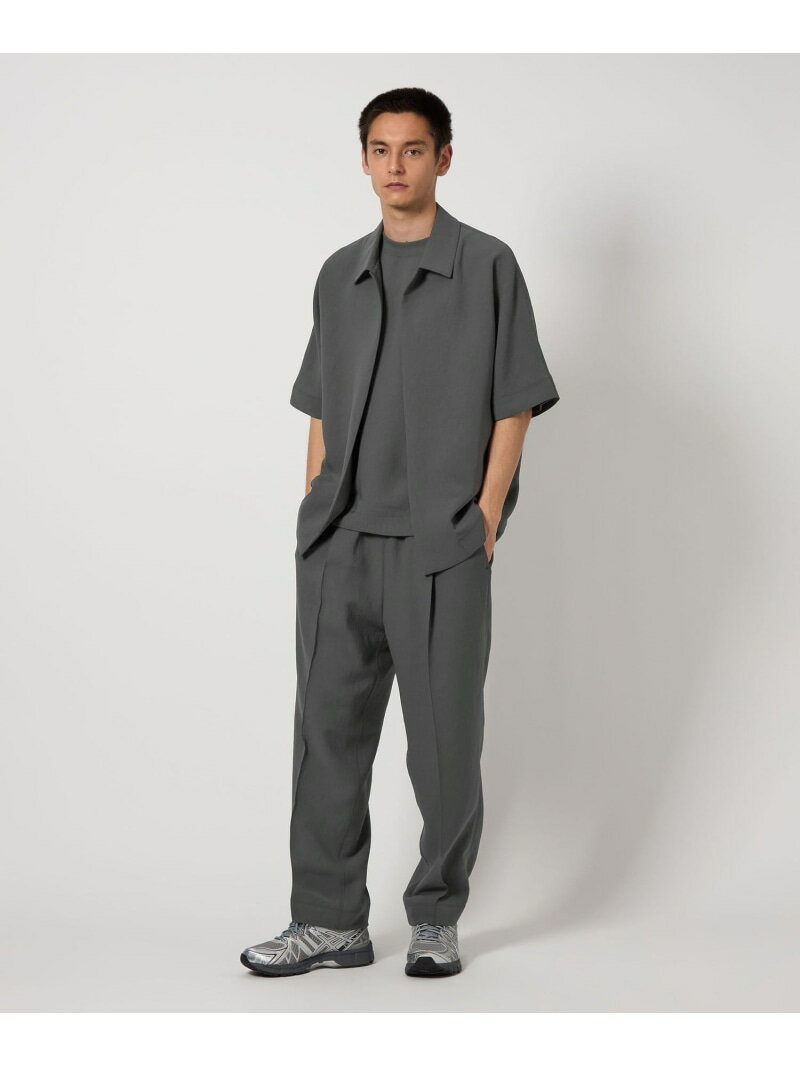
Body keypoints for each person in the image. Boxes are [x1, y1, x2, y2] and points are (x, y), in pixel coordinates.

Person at [241, 87, 559, 979]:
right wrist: (315, 506)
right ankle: (328, 922)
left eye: (413, 149)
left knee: (445, 744)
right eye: (380, 149)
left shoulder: (487, 265)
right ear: (363, 159)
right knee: (326, 738)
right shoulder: (338, 273)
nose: (395, 165)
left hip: (440, 547)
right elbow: (319, 401)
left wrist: (486, 515)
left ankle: (436, 918)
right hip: (341, 543)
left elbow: (515, 400)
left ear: (443, 158)